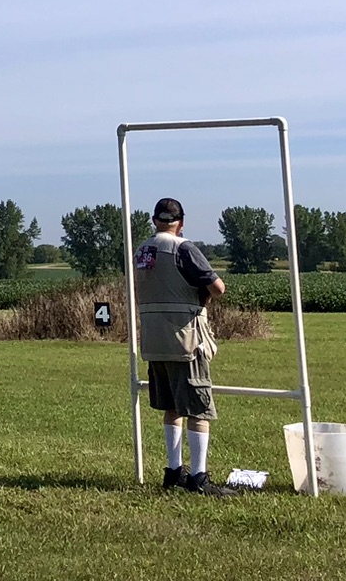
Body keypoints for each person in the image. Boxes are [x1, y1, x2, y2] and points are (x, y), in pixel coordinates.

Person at [136, 197, 230, 496]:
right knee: (198, 410)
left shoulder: (141, 251)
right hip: (185, 339)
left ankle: (174, 471)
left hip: (153, 339)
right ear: (181, 222)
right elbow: (218, 288)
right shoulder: (183, 248)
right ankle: (198, 478)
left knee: (171, 406)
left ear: (155, 221)